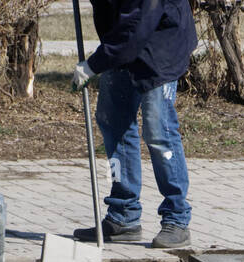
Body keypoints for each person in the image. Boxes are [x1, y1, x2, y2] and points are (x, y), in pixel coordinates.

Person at [71, 0, 196, 249]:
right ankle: (123, 215)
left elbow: (139, 23)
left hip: (162, 44)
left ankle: (177, 218)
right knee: (112, 121)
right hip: (124, 41)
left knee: (158, 131)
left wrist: (94, 64)